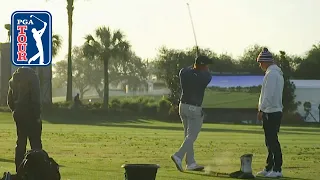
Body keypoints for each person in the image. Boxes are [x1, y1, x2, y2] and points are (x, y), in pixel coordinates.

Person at [171, 55, 212, 172]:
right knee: (192, 136)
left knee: (187, 136)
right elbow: (206, 74)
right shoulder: (205, 77)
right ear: (203, 66)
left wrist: (196, 64)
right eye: (207, 66)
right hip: (194, 109)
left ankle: (191, 163)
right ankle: (178, 156)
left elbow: (187, 69)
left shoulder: (184, 73)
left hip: (182, 107)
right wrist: (200, 67)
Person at [7, 66, 42, 172]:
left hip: (19, 114)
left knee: (20, 143)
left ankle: (19, 169)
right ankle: (37, 170)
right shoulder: (33, 77)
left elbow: (9, 100)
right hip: (31, 114)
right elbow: (35, 97)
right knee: (35, 144)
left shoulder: (13, 79)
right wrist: (37, 115)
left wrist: (15, 110)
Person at [256, 48, 284, 178]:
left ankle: (277, 169)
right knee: (269, 141)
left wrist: (262, 109)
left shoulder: (272, 74)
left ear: (265, 62)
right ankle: (269, 167)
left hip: (271, 111)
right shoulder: (274, 73)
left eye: (260, 62)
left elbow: (268, 94)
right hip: (273, 110)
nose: (259, 65)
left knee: (272, 141)